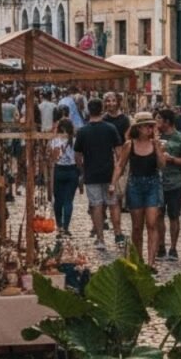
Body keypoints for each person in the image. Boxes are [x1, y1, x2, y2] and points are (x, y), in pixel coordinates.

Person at [114, 112, 166, 270]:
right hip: (135, 184)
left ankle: (152, 262)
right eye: (147, 126)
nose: (150, 129)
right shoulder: (130, 144)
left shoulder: (156, 144)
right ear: (139, 127)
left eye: (152, 126)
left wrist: (157, 148)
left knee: (152, 223)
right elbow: (120, 165)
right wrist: (113, 183)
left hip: (152, 184)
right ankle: (138, 259)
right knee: (137, 226)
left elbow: (162, 165)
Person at [74, 98, 124, 250]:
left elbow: (77, 156)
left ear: (88, 111)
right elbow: (119, 153)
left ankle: (101, 238)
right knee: (113, 204)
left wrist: (83, 170)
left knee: (96, 206)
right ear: (102, 110)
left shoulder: (83, 131)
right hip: (109, 174)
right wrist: (117, 171)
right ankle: (118, 234)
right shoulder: (110, 128)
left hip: (92, 174)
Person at [156, 109, 181, 260]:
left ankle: (173, 248)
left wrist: (172, 159)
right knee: (158, 216)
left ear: (167, 122)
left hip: (175, 183)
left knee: (174, 216)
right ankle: (161, 246)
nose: (156, 122)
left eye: (158, 119)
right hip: (157, 183)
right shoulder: (155, 138)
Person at [49, 119, 81, 236]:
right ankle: (66, 227)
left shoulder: (54, 141)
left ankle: (59, 226)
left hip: (59, 170)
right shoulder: (75, 141)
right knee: (68, 201)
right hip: (72, 171)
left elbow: (52, 158)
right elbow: (78, 158)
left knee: (58, 200)